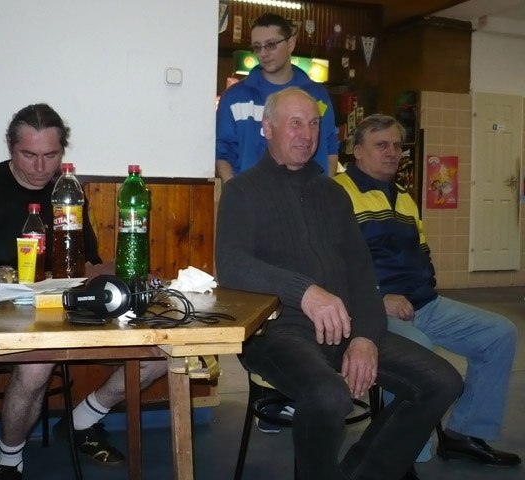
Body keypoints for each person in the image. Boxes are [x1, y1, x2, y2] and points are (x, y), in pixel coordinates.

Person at [215, 87, 462, 480]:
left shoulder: (333, 194)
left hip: (344, 328)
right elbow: (232, 266)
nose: (306, 134)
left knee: (442, 381)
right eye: (295, 123)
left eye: (313, 124)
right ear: (268, 128)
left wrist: (365, 337)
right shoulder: (241, 192)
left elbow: (362, 274)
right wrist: (305, 292)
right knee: (329, 396)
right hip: (276, 333)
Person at [0, 103, 167, 480]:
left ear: (62, 152)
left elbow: (88, 265)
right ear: (10, 148)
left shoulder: (69, 193)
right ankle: (9, 460)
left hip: (60, 306)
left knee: (164, 347)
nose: (39, 167)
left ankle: (84, 418)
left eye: (50, 155)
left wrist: (125, 271)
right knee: (37, 365)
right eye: (28, 155)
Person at [334, 114, 521, 468]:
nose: (392, 152)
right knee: (417, 350)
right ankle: (402, 455)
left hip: (422, 304)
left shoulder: (404, 197)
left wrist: (424, 288)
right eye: (381, 145)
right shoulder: (337, 194)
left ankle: (463, 434)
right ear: (357, 151)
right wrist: (378, 299)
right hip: (370, 310)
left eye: (396, 145)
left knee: (499, 334)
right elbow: (329, 265)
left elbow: (422, 252)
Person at [216, 13, 339, 183]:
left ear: (291, 43)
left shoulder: (318, 96)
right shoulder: (234, 97)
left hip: (307, 195)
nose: (263, 53)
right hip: (252, 195)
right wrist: (235, 191)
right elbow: (222, 152)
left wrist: (323, 190)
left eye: (271, 45)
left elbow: (331, 148)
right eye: (257, 47)